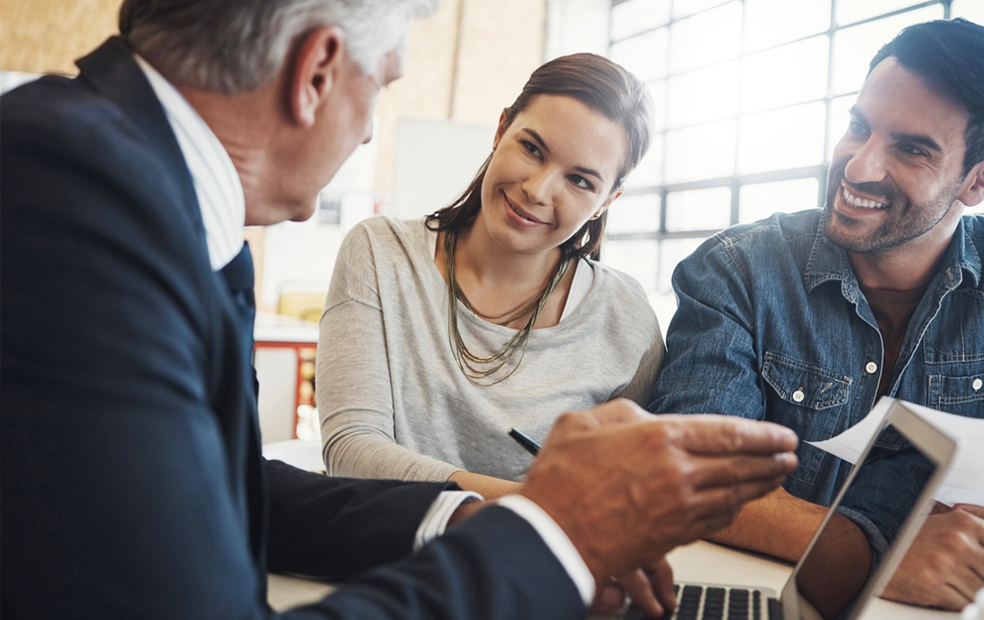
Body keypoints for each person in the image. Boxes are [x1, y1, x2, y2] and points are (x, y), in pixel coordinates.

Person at [0, 1, 800, 618]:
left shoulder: (153, 201)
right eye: (379, 83)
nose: (370, 128)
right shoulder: (74, 197)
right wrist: (553, 534)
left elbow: (231, 486)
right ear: (317, 71)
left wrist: (459, 519)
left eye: (582, 180)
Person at [648, 18, 984, 611]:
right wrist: (873, 556)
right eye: (859, 127)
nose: (857, 168)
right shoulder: (738, 270)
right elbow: (690, 476)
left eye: (910, 148)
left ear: (976, 180)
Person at [317, 53, 663, 499]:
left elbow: (631, 489)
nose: (537, 190)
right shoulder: (381, 254)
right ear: (501, 130)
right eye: (532, 149)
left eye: (579, 181)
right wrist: (535, 506)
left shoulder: (625, 318)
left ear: (606, 201)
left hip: (534, 566)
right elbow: (351, 452)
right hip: (391, 555)